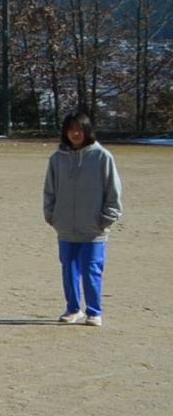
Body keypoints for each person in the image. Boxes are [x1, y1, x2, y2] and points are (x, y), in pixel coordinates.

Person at [45, 107, 123, 326]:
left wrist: (106, 218)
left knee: (91, 271)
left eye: (79, 129)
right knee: (68, 270)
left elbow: (113, 191)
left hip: (93, 229)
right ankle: (72, 309)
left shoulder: (102, 157)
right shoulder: (57, 159)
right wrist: (52, 215)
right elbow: (49, 190)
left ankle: (94, 311)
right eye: (70, 130)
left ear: (87, 131)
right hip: (66, 227)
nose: (75, 134)